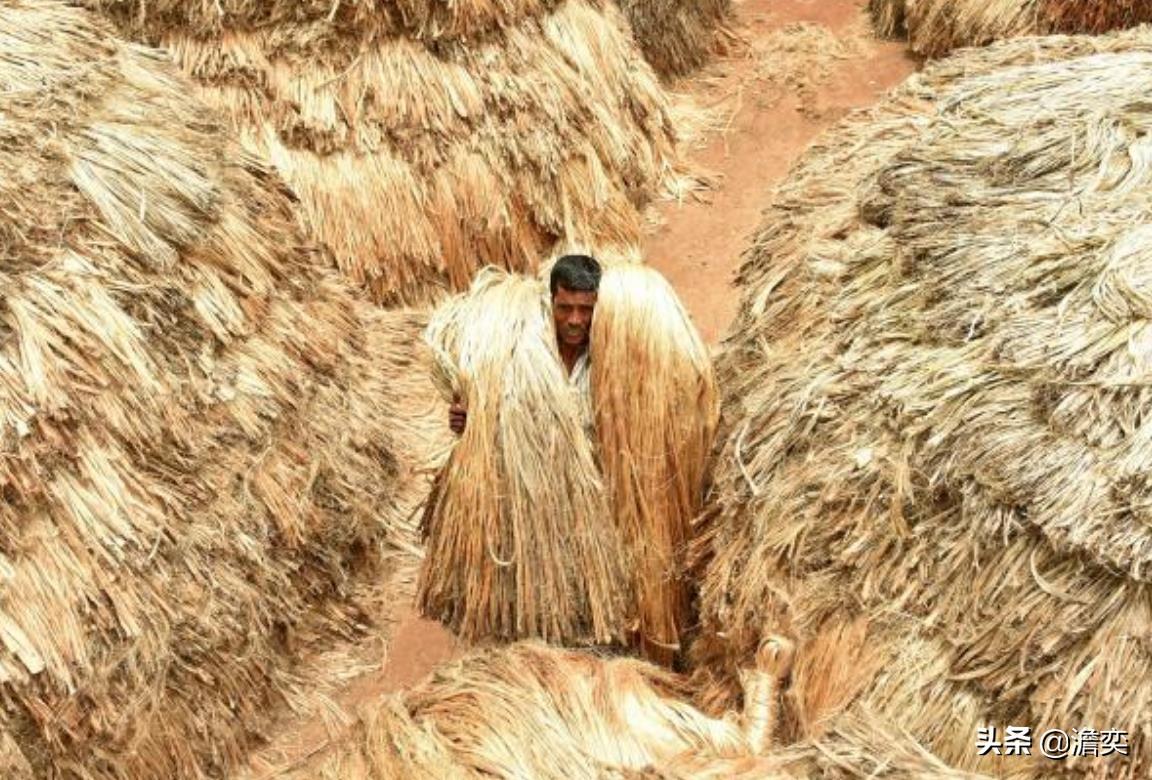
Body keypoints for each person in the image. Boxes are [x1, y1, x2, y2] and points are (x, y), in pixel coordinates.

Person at [449, 254, 601, 435]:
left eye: (585, 310)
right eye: (565, 308)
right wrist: (470, 420)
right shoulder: (525, 353)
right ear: (551, 301)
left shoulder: (604, 360)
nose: (574, 320)